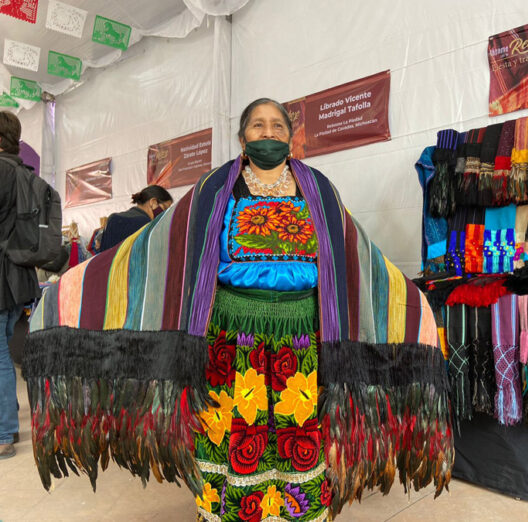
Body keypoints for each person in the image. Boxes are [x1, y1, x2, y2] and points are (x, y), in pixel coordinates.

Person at [25, 99, 453, 520]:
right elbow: (158, 247)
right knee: (231, 427)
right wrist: (74, 288)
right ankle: (231, 509)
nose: (268, 132)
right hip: (232, 336)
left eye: (278, 126)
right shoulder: (215, 189)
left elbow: (358, 256)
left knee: (294, 425)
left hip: (299, 337)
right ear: (242, 137)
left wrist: (412, 306)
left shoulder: (318, 189)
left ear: (291, 137)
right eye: (258, 125)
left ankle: (295, 511)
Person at [0, 111, 41, 460]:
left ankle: (3, 432)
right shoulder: (29, 177)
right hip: (21, 279)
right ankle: (7, 419)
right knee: (3, 353)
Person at [98, 185, 173, 252]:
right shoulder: (147, 225)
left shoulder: (113, 218)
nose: (165, 214)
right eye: (165, 208)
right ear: (153, 202)